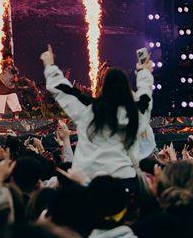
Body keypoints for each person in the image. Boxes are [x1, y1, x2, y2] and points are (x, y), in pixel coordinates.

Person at [41, 44, 154, 183]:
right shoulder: (135, 113)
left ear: (104, 87)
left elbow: (64, 91)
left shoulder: (89, 109)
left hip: (91, 181)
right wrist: (144, 71)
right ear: (127, 89)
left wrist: (50, 67)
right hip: (124, 181)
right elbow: (145, 93)